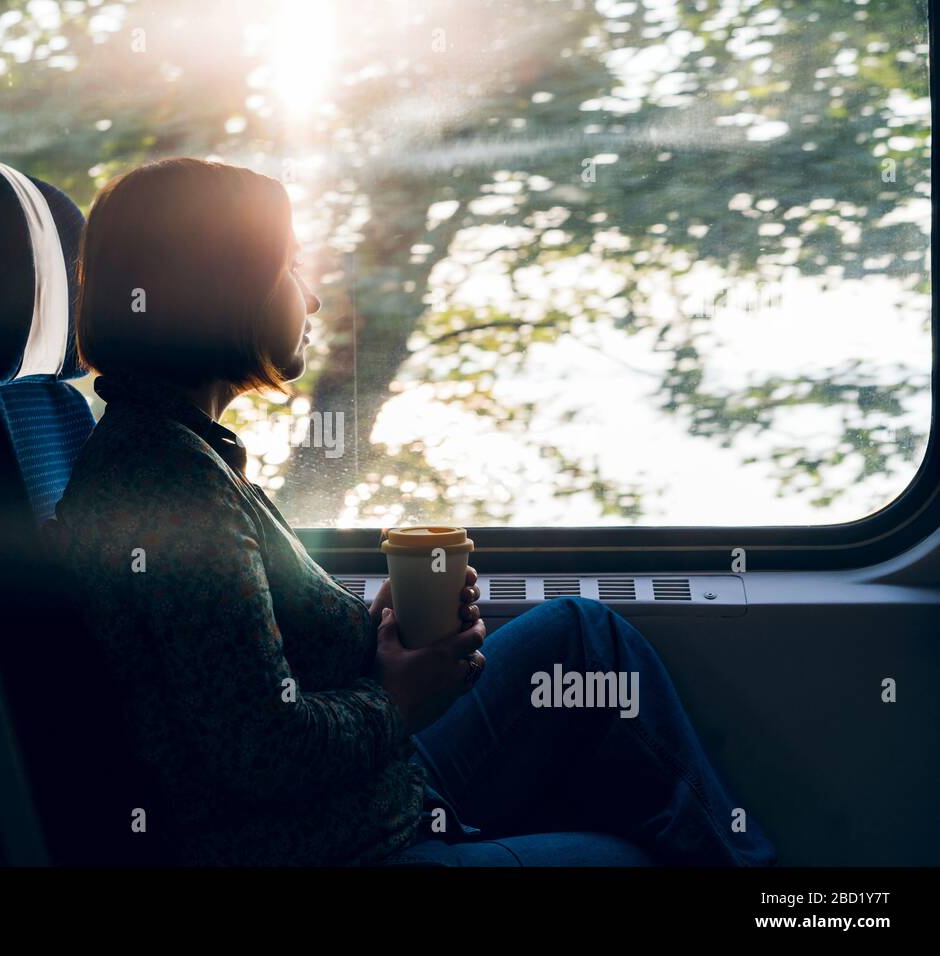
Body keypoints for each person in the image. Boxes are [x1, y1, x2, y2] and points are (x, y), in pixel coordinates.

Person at [50, 157, 777, 867]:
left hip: (364, 792)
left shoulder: (183, 449)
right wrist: (398, 698)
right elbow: (258, 753)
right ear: (221, 286)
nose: (310, 300)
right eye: (291, 268)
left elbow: (239, 662)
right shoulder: (168, 485)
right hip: (329, 842)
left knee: (585, 639)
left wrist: (380, 635)